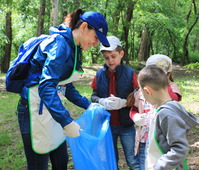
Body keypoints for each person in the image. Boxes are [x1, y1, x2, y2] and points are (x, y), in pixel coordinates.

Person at [17, 9, 110, 169]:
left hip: (53, 113)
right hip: (34, 113)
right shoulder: (59, 45)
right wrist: (66, 121)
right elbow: (46, 86)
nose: (96, 43)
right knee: (39, 165)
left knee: (61, 161)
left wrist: (88, 105)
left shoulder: (73, 48)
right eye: (95, 37)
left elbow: (66, 86)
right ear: (84, 27)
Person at [137, 65, 199, 170]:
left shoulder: (167, 115)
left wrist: (159, 167)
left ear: (147, 91)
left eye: (142, 93)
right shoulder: (163, 109)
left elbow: (180, 149)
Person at [90, 36, 139, 169]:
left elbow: (139, 96)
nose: (110, 60)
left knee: (133, 159)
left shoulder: (130, 73)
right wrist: (101, 101)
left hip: (126, 125)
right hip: (107, 125)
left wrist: (124, 103)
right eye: (106, 57)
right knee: (110, 159)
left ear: (121, 54)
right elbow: (93, 96)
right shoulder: (99, 74)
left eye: (113, 56)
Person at [129, 54, 182, 170]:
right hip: (144, 139)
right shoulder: (141, 91)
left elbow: (173, 100)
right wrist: (136, 117)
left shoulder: (171, 90)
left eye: (159, 76)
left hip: (161, 141)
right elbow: (133, 110)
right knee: (145, 165)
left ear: (168, 75)